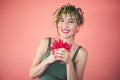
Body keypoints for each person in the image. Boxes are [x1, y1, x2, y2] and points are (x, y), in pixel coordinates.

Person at [29, 3, 88, 80]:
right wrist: (49, 60)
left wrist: (69, 63)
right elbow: (32, 74)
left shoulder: (81, 53)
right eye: (61, 20)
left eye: (70, 21)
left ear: (77, 27)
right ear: (57, 24)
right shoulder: (45, 42)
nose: (65, 26)